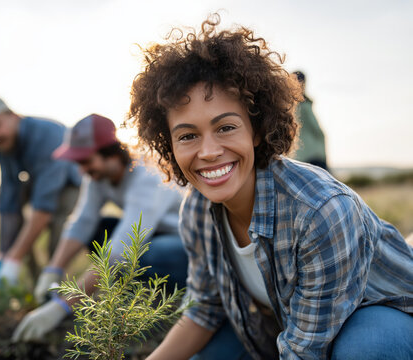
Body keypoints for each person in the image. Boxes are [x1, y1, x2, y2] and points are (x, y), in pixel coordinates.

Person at [127, 16, 413, 360]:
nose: (208, 151)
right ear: (169, 145)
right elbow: (205, 309)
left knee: (364, 349)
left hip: (382, 312)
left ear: (257, 130)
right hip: (292, 324)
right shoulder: (197, 211)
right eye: (188, 135)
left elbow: (305, 351)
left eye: (226, 127)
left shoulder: (321, 210)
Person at [11, 114, 188, 342]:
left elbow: (121, 251)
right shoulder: (97, 177)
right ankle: (137, 294)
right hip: (153, 234)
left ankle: (166, 299)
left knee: (144, 254)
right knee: (99, 229)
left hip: (186, 245)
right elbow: (81, 223)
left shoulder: (147, 176)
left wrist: (62, 307)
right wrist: (53, 270)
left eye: (85, 161)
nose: (82, 170)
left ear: (111, 154)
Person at [0, 96, 81, 286]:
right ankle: (35, 286)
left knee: (57, 236)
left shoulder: (46, 135)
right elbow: (9, 202)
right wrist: (2, 253)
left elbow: (44, 207)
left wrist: (14, 257)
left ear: (12, 115)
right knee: (17, 233)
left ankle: (58, 288)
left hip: (73, 186)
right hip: (40, 189)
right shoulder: (6, 147)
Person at [292, 70, 328, 170]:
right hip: (311, 155)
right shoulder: (303, 105)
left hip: (301, 155)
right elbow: (315, 128)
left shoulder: (294, 104)